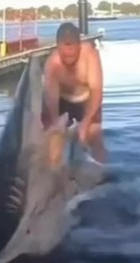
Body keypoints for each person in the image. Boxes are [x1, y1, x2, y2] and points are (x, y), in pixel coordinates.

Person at [42, 22, 106, 164]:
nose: (69, 56)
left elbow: (97, 91)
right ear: (58, 46)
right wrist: (56, 125)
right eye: (65, 53)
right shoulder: (52, 64)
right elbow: (51, 101)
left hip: (87, 100)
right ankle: (55, 174)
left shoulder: (90, 54)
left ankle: (102, 176)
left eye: (73, 51)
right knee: (54, 138)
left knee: (94, 135)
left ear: (79, 45)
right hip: (62, 101)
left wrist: (86, 123)